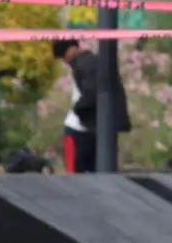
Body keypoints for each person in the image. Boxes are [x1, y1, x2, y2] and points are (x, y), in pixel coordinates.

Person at [52, 39, 132, 173]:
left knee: (75, 175)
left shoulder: (82, 64)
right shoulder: (98, 62)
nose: (65, 61)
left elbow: (91, 93)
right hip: (98, 127)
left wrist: (77, 109)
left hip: (80, 128)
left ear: (70, 50)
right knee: (100, 172)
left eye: (63, 57)